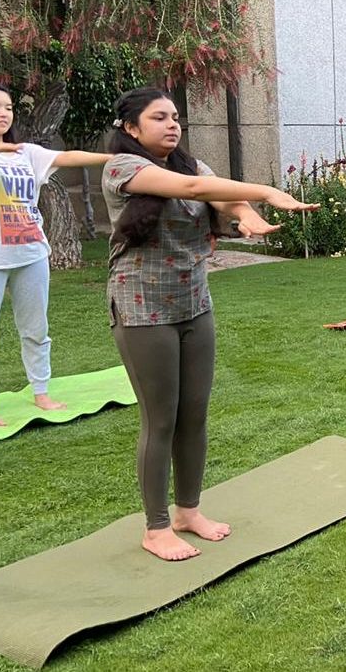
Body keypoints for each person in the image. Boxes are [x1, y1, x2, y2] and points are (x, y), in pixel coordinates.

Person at [101, 87, 317, 561]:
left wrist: (247, 214)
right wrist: (264, 191)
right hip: (142, 307)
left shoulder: (193, 165)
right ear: (131, 128)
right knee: (161, 419)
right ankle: (156, 527)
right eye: (159, 117)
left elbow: (218, 195)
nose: (173, 124)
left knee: (194, 413)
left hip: (194, 303)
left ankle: (187, 512)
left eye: (176, 117)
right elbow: (196, 191)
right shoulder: (122, 168)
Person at [0, 81, 113, 427]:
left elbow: (68, 157)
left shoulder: (27, 153)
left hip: (32, 253)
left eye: (8, 107)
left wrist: (114, 158)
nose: (3, 113)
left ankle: (41, 391)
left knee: (36, 330)